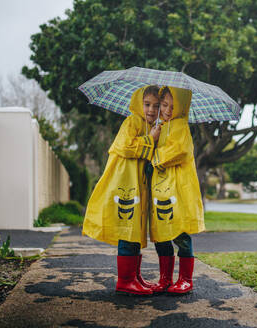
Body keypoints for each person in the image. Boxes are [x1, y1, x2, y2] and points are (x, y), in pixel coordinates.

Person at [82, 85, 161, 296]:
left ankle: (134, 276)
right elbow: (125, 146)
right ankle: (125, 280)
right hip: (124, 183)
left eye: (156, 105)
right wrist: (150, 140)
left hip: (137, 184)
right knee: (128, 228)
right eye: (147, 104)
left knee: (135, 230)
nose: (151, 110)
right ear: (138, 104)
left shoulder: (150, 125)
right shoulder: (133, 121)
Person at [149, 86, 205, 294]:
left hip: (177, 190)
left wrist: (155, 156)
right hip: (160, 189)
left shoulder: (181, 125)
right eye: (164, 105)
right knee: (161, 234)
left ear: (183, 107)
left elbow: (180, 150)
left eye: (173, 106)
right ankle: (164, 278)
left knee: (180, 233)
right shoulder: (159, 125)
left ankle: (185, 279)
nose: (168, 110)